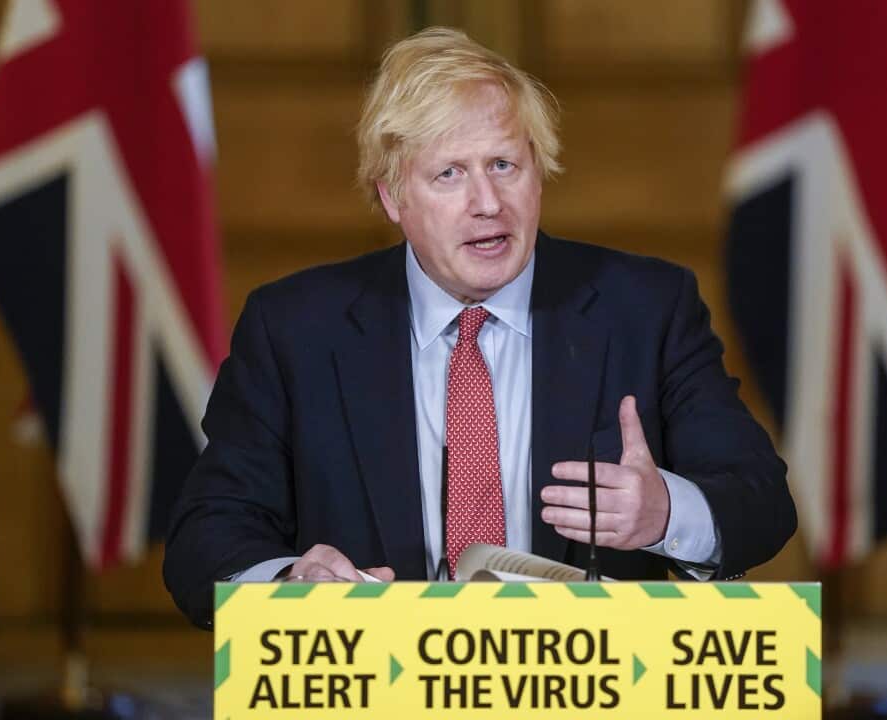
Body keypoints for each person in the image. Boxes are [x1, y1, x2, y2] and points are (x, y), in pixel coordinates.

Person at [163, 27, 795, 629]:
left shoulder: (645, 309)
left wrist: (666, 514)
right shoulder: (295, 330)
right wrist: (289, 584)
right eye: (449, 174)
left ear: (538, 171)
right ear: (393, 197)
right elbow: (204, 536)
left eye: (503, 165)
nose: (488, 203)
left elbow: (762, 500)